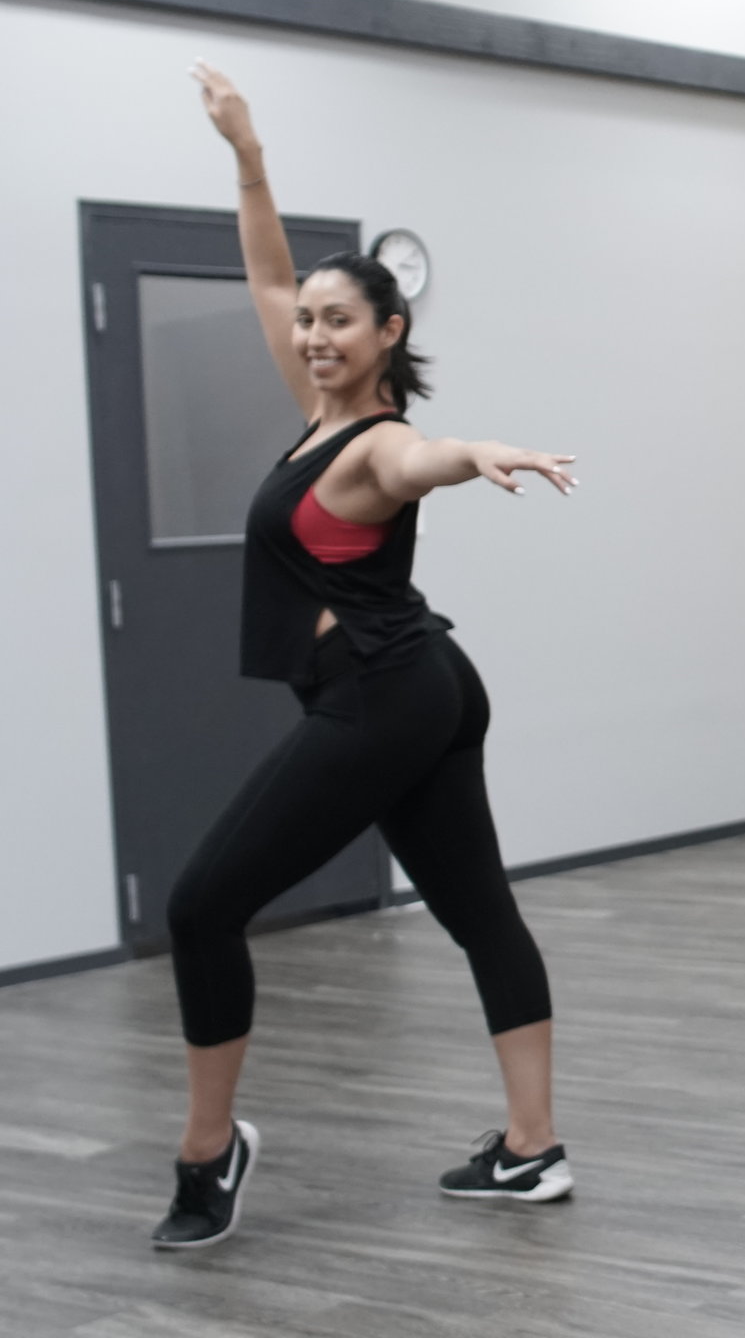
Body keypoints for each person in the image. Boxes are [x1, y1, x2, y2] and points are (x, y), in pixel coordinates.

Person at [155, 63, 582, 1249]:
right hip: (428, 687)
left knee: (199, 905)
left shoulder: (379, 442)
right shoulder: (318, 409)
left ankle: (207, 1151)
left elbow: (426, 457)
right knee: (478, 908)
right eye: (310, 322)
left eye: (340, 319)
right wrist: (247, 155)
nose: (312, 331)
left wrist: (483, 452)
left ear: (391, 331)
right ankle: (532, 1147)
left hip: (385, 697)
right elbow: (265, 268)